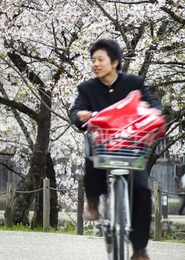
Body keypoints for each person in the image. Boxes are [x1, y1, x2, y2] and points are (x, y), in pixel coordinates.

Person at [70, 39, 162, 260]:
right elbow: (75, 111)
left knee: (141, 191)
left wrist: (151, 110)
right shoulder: (87, 88)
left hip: (130, 150)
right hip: (103, 147)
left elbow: (154, 104)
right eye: (93, 60)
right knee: (92, 153)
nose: (95, 64)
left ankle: (139, 248)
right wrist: (80, 116)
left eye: (100, 59)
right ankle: (93, 202)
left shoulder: (134, 83)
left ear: (115, 62)